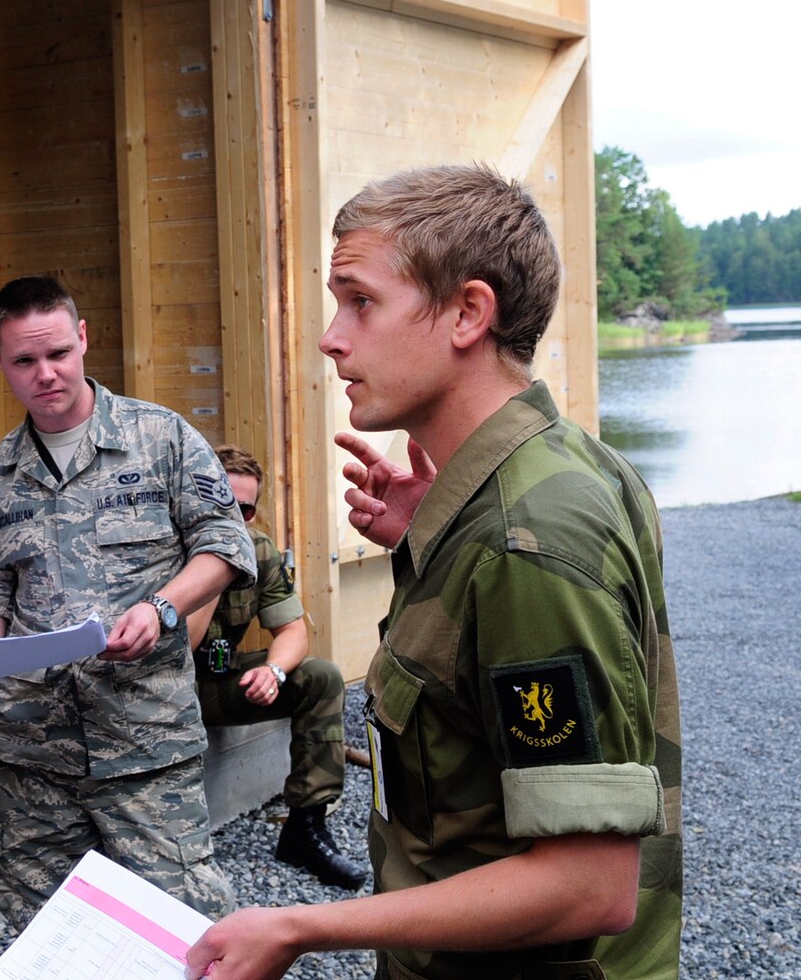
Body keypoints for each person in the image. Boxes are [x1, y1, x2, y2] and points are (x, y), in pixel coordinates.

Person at [187, 165, 683, 980]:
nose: (330, 335)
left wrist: (299, 927)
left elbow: (589, 887)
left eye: (362, 301)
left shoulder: (524, 541)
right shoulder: (556, 473)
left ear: (467, 313)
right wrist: (434, 532)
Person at [0, 274, 256, 931]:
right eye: (24, 361)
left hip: (145, 751)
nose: (45, 374)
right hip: (35, 762)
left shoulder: (161, 439)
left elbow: (225, 545)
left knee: (180, 929)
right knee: (50, 933)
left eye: (57, 354)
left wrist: (162, 607)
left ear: (82, 339)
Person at [188, 444, 366, 889]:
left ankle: (305, 826)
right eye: (222, 503)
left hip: (211, 685)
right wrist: (213, 569)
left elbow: (292, 632)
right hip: (157, 693)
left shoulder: (257, 550)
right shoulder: (163, 548)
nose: (234, 518)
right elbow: (181, 642)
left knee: (320, 676)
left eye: (245, 510)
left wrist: (274, 672)